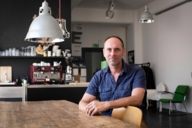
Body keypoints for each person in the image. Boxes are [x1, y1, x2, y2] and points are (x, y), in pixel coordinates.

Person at [79, 35, 146, 116]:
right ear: (104, 52)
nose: (112, 53)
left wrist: (105, 105)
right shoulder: (98, 76)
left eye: (117, 49)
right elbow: (83, 102)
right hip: (105, 122)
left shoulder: (137, 71)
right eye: (109, 49)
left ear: (123, 52)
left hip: (129, 123)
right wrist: (93, 109)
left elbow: (137, 99)